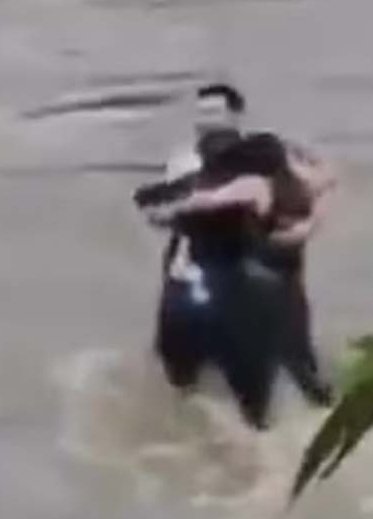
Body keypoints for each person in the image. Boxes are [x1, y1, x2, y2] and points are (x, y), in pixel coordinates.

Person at [148, 83, 335, 407]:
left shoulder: (268, 158)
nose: (207, 120)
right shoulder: (184, 161)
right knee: (173, 348)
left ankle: (314, 392)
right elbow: (170, 208)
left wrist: (308, 226)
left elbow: (322, 185)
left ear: (235, 116)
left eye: (215, 113)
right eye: (202, 113)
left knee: (299, 360)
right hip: (199, 263)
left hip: (260, 264)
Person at [139, 134, 309, 429]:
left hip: (209, 303)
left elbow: (158, 209)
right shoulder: (277, 197)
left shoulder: (216, 203)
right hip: (254, 305)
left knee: (182, 385)